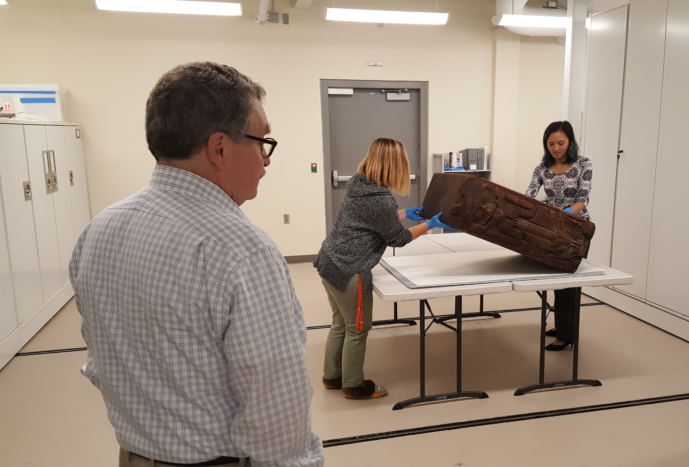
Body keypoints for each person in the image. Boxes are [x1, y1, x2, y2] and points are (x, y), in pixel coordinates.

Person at [69, 62, 323, 467]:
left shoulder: (100, 229)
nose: (266, 159)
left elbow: (102, 358)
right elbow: (276, 409)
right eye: (262, 142)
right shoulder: (242, 250)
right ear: (219, 147)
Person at [314, 138, 453, 399]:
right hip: (348, 269)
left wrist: (403, 214)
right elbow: (398, 239)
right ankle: (354, 386)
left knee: (340, 324)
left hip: (328, 259)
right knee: (357, 328)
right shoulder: (381, 199)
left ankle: (331, 377)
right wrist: (431, 224)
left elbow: (371, 218)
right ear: (395, 166)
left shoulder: (358, 183)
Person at [525, 120, 593, 351]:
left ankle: (565, 335)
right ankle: (562, 326)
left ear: (570, 142)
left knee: (569, 282)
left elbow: (583, 199)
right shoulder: (542, 168)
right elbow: (529, 194)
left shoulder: (583, 164)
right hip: (552, 227)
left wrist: (566, 214)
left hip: (575, 226)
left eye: (560, 143)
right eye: (551, 143)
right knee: (557, 280)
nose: (556, 148)